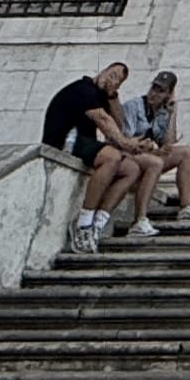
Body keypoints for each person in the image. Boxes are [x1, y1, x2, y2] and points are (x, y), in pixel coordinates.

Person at [40, 60, 159, 253]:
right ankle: (83, 225)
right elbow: (104, 122)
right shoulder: (84, 89)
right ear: (102, 71)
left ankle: (98, 223)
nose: (112, 81)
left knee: (132, 169)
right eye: (111, 75)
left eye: (118, 81)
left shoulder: (102, 96)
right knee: (111, 157)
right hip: (64, 140)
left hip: (82, 142)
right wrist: (128, 144)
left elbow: (119, 125)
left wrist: (112, 97)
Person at [129, 70, 190, 224]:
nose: (154, 94)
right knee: (156, 162)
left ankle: (186, 206)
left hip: (149, 157)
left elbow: (169, 143)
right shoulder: (134, 106)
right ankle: (139, 219)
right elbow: (124, 141)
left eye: (161, 91)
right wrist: (152, 150)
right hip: (130, 158)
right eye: (154, 88)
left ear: (169, 94)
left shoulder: (163, 112)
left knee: (187, 152)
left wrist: (173, 113)